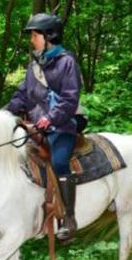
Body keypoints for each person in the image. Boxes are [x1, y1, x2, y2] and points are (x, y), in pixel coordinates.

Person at [6, 13, 82, 241]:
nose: (32, 39)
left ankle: (69, 219)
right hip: (35, 129)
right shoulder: (34, 65)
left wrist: (50, 118)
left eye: (35, 34)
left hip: (62, 126)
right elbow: (21, 95)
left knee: (59, 162)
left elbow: (71, 99)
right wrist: (5, 113)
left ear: (49, 36)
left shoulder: (67, 62)